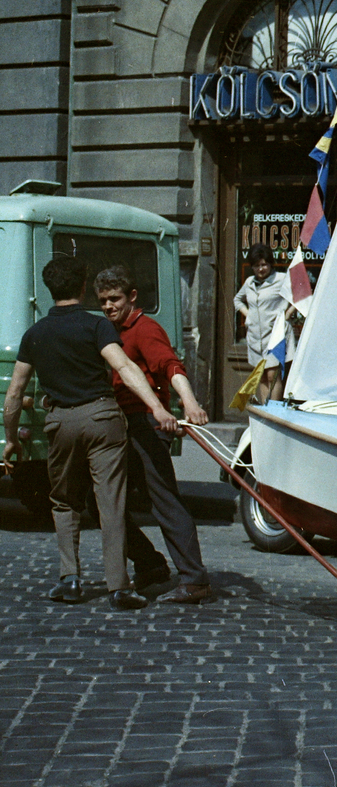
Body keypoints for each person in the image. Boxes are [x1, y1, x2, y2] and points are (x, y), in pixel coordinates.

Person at [1, 257, 179, 608]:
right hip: (102, 418)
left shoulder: (34, 334)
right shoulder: (97, 326)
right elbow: (124, 366)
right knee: (110, 501)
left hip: (61, 422)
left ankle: (70, 580)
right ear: (83, 287)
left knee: (64, 501)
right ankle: (120, 587)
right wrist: (157, 407)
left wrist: (9, 439)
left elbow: (13, 395)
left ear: (49, 289)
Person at [95, 265, 213, 604]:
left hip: (148, 425)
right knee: (102, 500)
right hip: (122, 426)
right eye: (102, 300)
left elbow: (170, 366)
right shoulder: (111, 331)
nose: (108, 306)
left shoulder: (145, 329)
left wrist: (189, 402)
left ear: (132, 297)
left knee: (164, 501)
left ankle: (194, 579)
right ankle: (150, 565)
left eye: (114, 299)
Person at [233, 245, 289, 403]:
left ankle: (274, 412)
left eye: (264, 264)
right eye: (256, 265)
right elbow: (237, 300)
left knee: (273, 374)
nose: (260, 269)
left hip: (274, 335)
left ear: (271, 264)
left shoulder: (281, 279)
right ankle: (266, 411)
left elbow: (299, 297)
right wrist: (248, 315)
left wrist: (285, 317)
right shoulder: (250, 282)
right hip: (255, 337)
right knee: (262, 375)